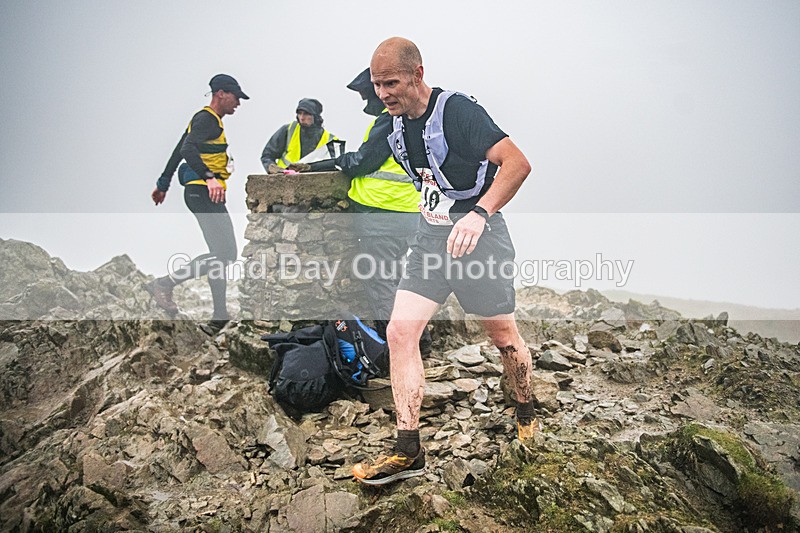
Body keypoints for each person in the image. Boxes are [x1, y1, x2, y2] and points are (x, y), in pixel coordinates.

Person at [352, 38, 538, 486]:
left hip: (480, 240)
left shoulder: (457, 113)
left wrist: (479, 213)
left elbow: (517, 163)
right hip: (431, 240)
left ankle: (526, 409)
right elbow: (357, 161)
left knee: (502, 334)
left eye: (391, 83)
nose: (383, 93)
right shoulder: (391, 123)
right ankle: (407, 449)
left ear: (417, 73)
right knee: (400, 332)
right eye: (377, 85)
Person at [302, 68, 432, 353]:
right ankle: (420, 339)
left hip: (382, 215)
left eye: (366, 95)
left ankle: (400, 349)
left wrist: (324, 165)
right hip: (408, 212)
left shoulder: (388, 121)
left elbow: (363, 161)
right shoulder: (414, 119)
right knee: (399, 279)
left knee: (382, 282)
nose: (366, 104)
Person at [147, 74, 247, 334]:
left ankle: (219, 317)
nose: (239, 103)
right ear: (221, 93)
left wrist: (163, 182)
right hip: (203, 192)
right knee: (225, 254)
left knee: (220, 255)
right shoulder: (207, 120)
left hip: (200, 192)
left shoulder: (203, 120)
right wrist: (211, 178)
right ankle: (165, 284)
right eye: (236, 97)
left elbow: (180, 147)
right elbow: (188, 149)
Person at [260, 98, 337, 170]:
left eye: (306, 114)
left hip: (315, 182)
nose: (302, 118)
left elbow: (336, 165)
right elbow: (267, 155)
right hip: (284, 180)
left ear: (316, 116)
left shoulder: (330, 140)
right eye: (299, 113)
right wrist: (270, 166)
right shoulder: (288, 130)